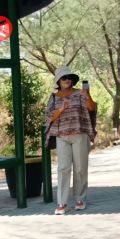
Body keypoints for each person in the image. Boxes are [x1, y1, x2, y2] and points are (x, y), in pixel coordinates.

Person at [45, 66, 97, 215]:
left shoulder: (80, 93)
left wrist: (87, 95)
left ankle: (80, 198)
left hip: (80, 134)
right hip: (62, 135)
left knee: (80, 167)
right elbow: (49, 118)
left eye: (69, 78)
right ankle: (62, 202)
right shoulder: (54, 97)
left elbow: (92, 109)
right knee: (63, 168)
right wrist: (61, 109)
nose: (67, 80)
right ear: (58, 81)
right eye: (64, 78)